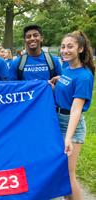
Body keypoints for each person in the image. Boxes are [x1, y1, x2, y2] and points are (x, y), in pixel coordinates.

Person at [49, 31, 95, 200]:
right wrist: (57, 83)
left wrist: (68, 138)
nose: (65, 50)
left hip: (72, 126)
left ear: (81, 49)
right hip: (59, 120)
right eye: (63, 46)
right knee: (62, 173)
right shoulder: (67, 69)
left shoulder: (84, 76)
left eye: (70, 46)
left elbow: (76, 109)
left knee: (69, 174)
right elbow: (66, 93)